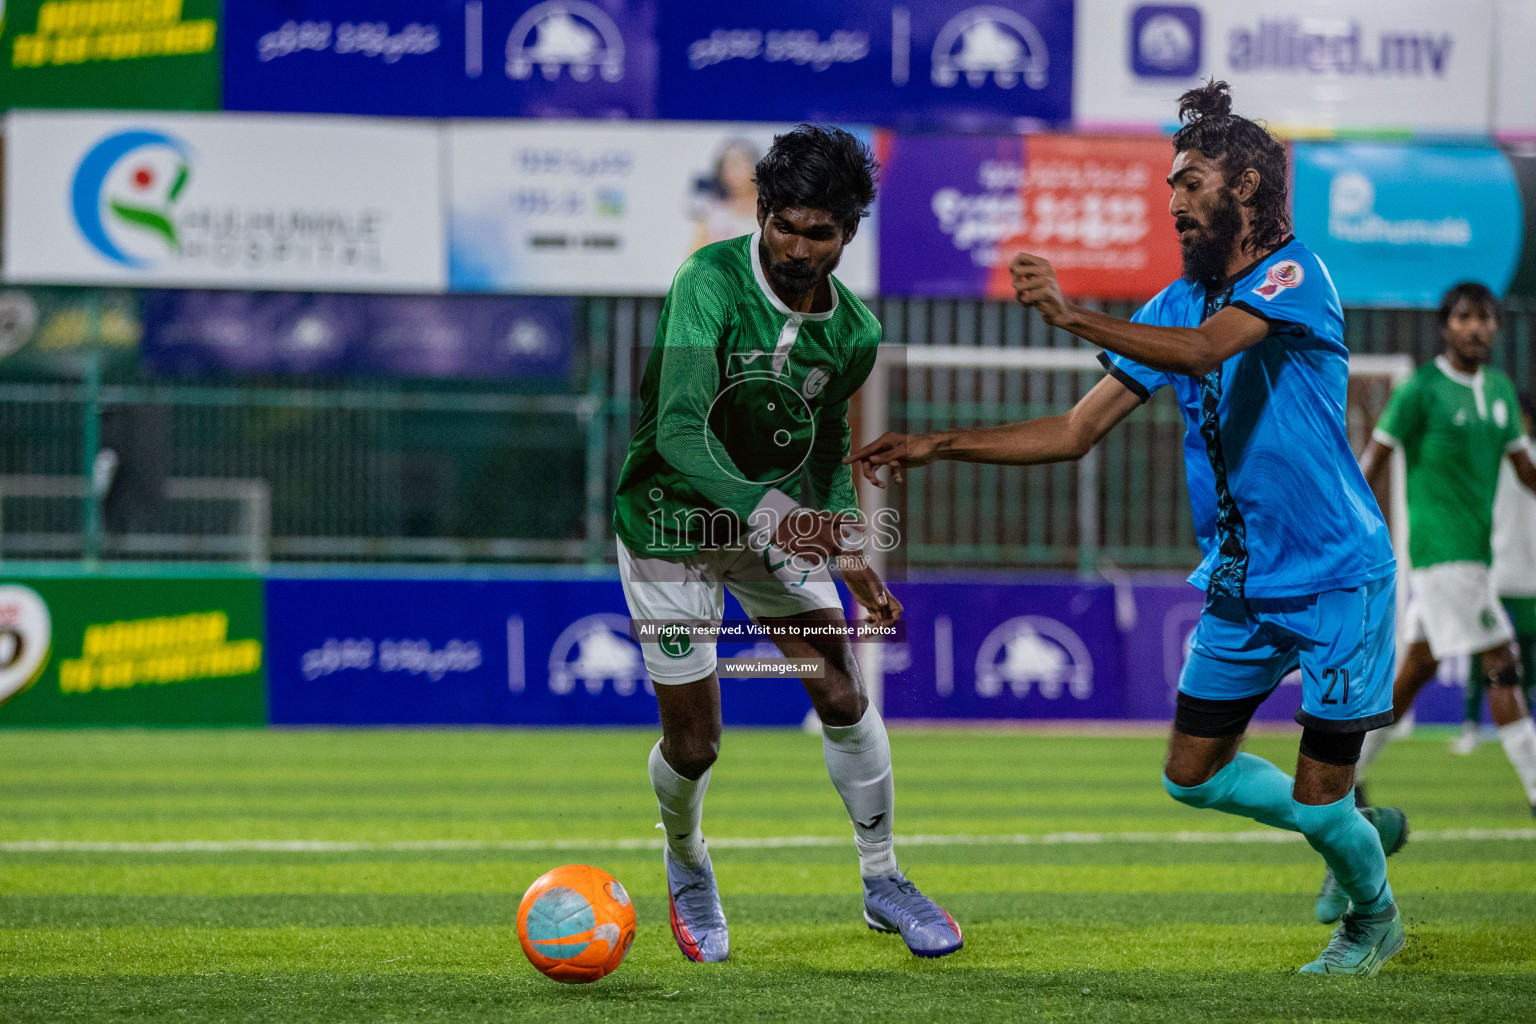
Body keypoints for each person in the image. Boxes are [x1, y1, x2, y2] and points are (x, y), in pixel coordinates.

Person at [847, 81, 1407, 976]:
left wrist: (1068, 313)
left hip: (1339, 578)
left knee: (1317, 790)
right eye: (1170, 185)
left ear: (1249, 187)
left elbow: (1204, 353)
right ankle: (1344, 827)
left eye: (1190, 182)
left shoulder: (1294, 275)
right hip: (1240, 584)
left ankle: (1371, 915)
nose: (1173, 200)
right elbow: (1075, 431)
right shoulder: (1173, 303)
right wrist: (940, 442)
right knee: (1192, 775)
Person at [613, 125, 963, 963]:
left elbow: (831, 444)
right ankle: (687, 860)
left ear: (848, 234)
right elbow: (681, 433)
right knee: (696, 744)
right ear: (762, 213)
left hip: (774, 529)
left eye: (821, 234)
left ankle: (882, 880)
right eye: (786, 227)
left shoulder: (855, 332)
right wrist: (784, 517)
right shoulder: (710, 280)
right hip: (671, 525)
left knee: (841, 692)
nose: (799, 249)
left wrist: (850, 557)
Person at [1353, 289, 1536, 807]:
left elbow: (1524, 471)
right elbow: (1374, 459)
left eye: (1486, 319)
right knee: (1502, 661)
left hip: (1475, 555)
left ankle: (1346, 777)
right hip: (1440, 554)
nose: (1476, 328)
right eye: (1464, 318)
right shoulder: (1421, 390)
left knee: (1412, 675)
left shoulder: (1500, 391)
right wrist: (1353, 521)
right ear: (1445, 327)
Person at [1454, 393, 1536, 755]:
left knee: (1528, 656)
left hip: (1532, 575)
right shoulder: (1490, 461)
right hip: (1495, 571)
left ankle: (1526, 730)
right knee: (1481, 652)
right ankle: (1470, 727)